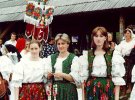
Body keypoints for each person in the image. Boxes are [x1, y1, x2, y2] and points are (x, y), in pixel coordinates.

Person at [79, 26, 125, 100]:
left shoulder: (113, 55)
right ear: (93, 38)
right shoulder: (87, 55)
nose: (98, 38)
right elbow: (83, 79)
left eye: (101, 36)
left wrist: (116, 98)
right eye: (96, 36)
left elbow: (117, 80)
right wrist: (83, 98)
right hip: (91, 89)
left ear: (105, 38)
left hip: (107, 89)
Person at [45, 33, 80, 100]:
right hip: (56, 89)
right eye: (58, 44)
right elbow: (47, 77)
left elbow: (74, 78)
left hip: (69, 90)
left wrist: (62, 75)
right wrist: (49, 75)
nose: (60, 46)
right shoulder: (51, 58)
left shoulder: (73, 58)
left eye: (63, 43)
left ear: (68, 44)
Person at [116, 28, 135, 98]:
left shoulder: (133, 42)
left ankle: (129, 88)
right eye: (126, 33)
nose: (127, 34)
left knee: (130, 73)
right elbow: (118, 49)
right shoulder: (122, 42)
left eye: (128, 33)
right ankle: (123, 90)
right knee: (123, 73)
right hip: (124, 59)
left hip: (132, 59)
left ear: (131, 34)